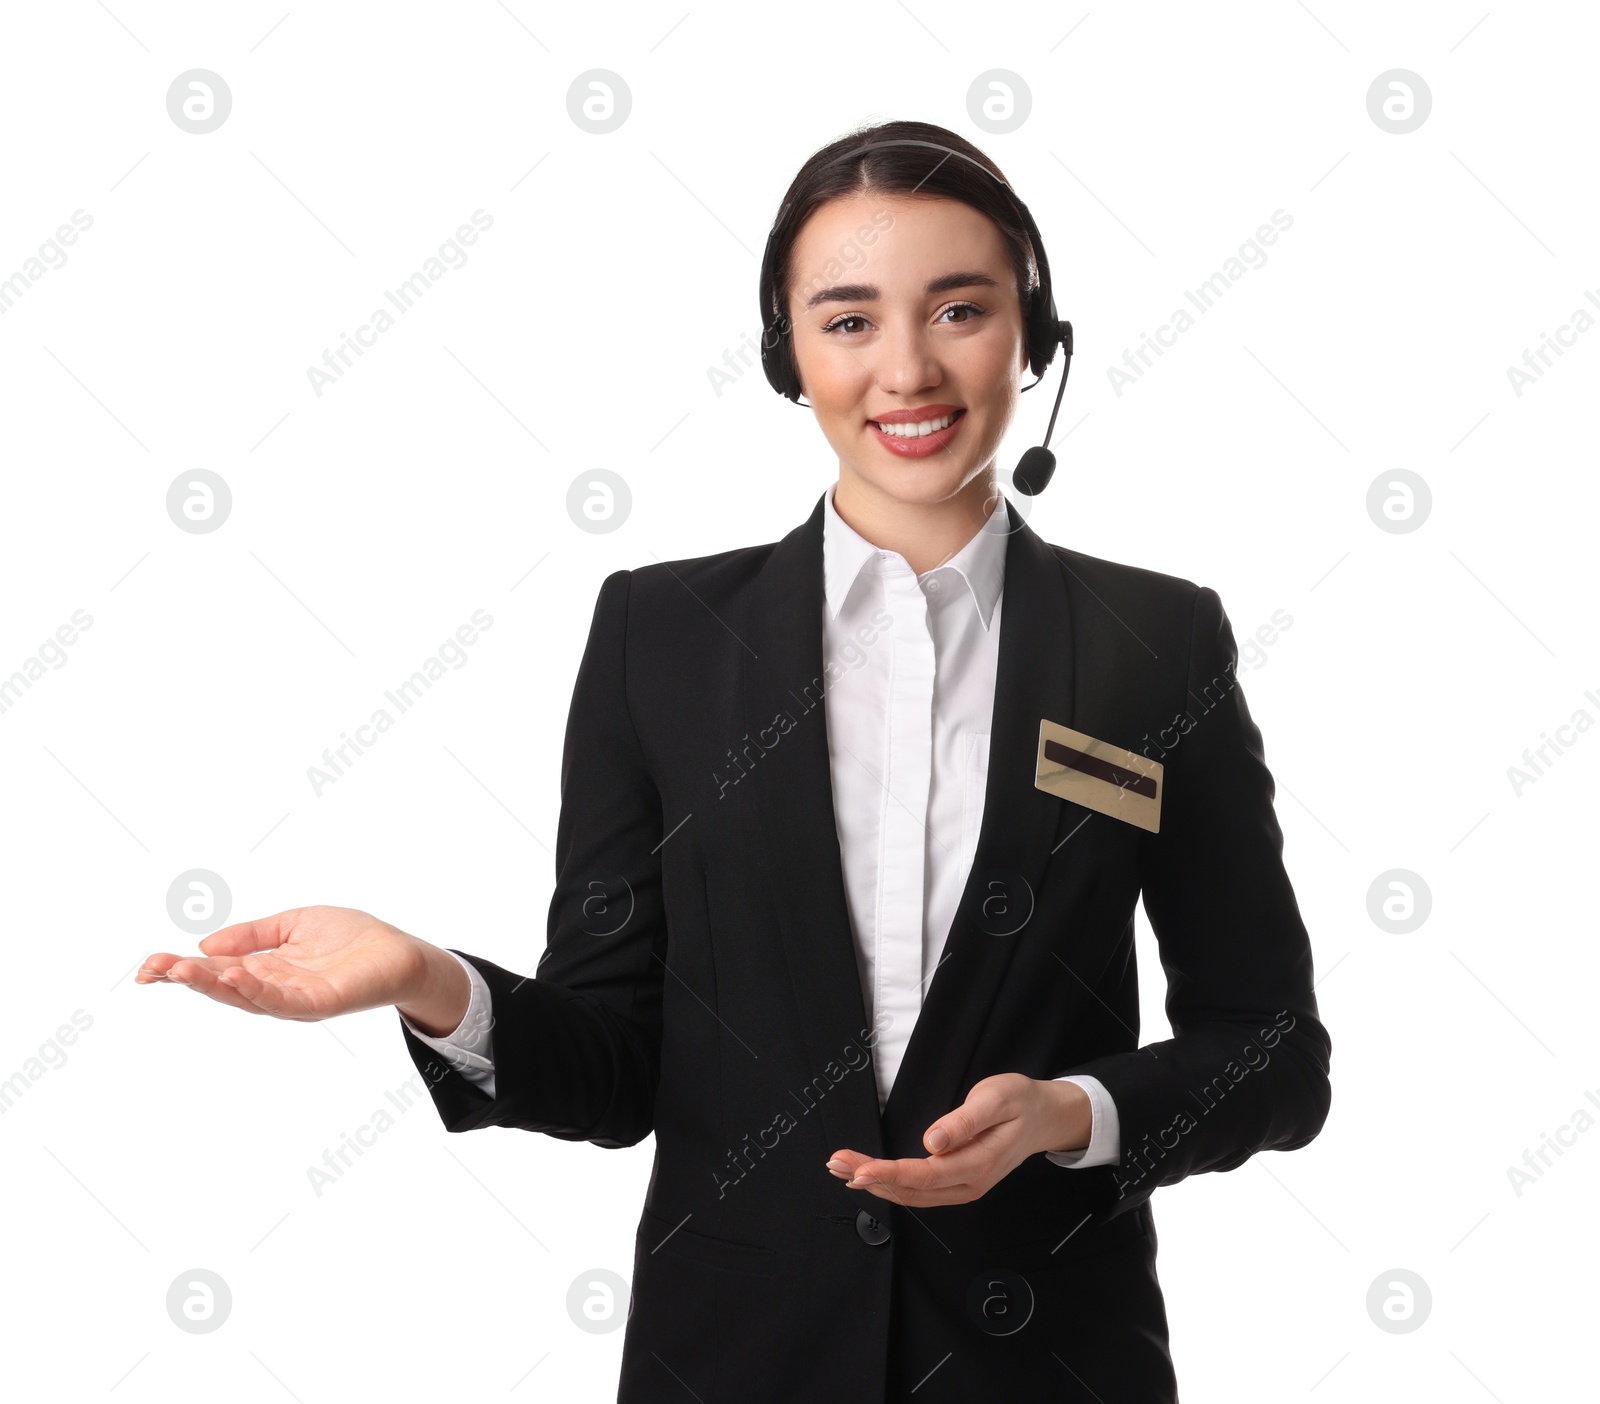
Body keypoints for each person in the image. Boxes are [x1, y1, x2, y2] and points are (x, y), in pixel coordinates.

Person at [139, 118, 1332, 1402]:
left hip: (1046, 1362)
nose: (908, 371)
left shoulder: (1155, 641)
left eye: (961, 309)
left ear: (1035, 338)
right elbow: (614, 1064)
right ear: (787, 352)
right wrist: (429, 981)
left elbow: (1272, 1055)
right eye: (848, 320)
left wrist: (1072, 1114)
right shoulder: (661, 636)